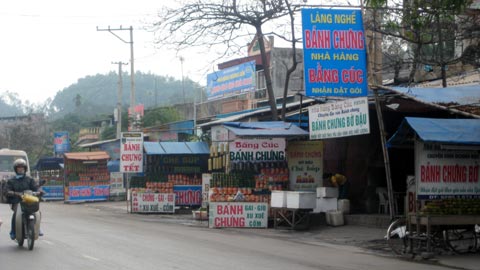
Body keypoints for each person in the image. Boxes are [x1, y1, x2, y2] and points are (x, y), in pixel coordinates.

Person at [6, 158, 41, 240]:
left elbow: (35, 188)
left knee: (37, 212)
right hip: (16, 202)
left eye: (22, 167)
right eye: (19, 167)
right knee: (15, 214)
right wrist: (11, 192)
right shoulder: (11, 180)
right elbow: (7, 190)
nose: (21, 169)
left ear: (25, 169)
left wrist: (39, 191)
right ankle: (13, 232)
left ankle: (38, 229)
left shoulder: (29, 179)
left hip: (29, 201)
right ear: (16, 169)